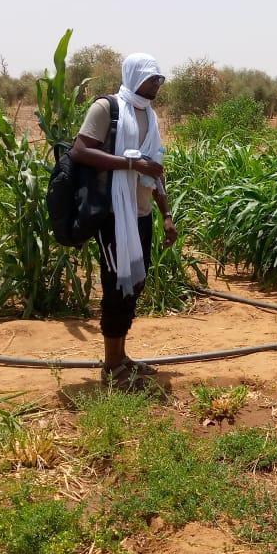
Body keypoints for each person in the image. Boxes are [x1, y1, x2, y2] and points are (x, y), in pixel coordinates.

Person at [68, 53, 177, 388]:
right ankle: (111, 367)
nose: (157, 84)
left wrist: (167, 214)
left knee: (134, 285)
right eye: (151, 78)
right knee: (117, 286)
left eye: (160, 79)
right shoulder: (107, 109)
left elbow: (154, 169)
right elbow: (80, 151)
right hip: (114, 216)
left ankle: (121, 356)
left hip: (140, 215)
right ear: (134, 77)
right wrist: (131, 165)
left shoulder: (150, 116)